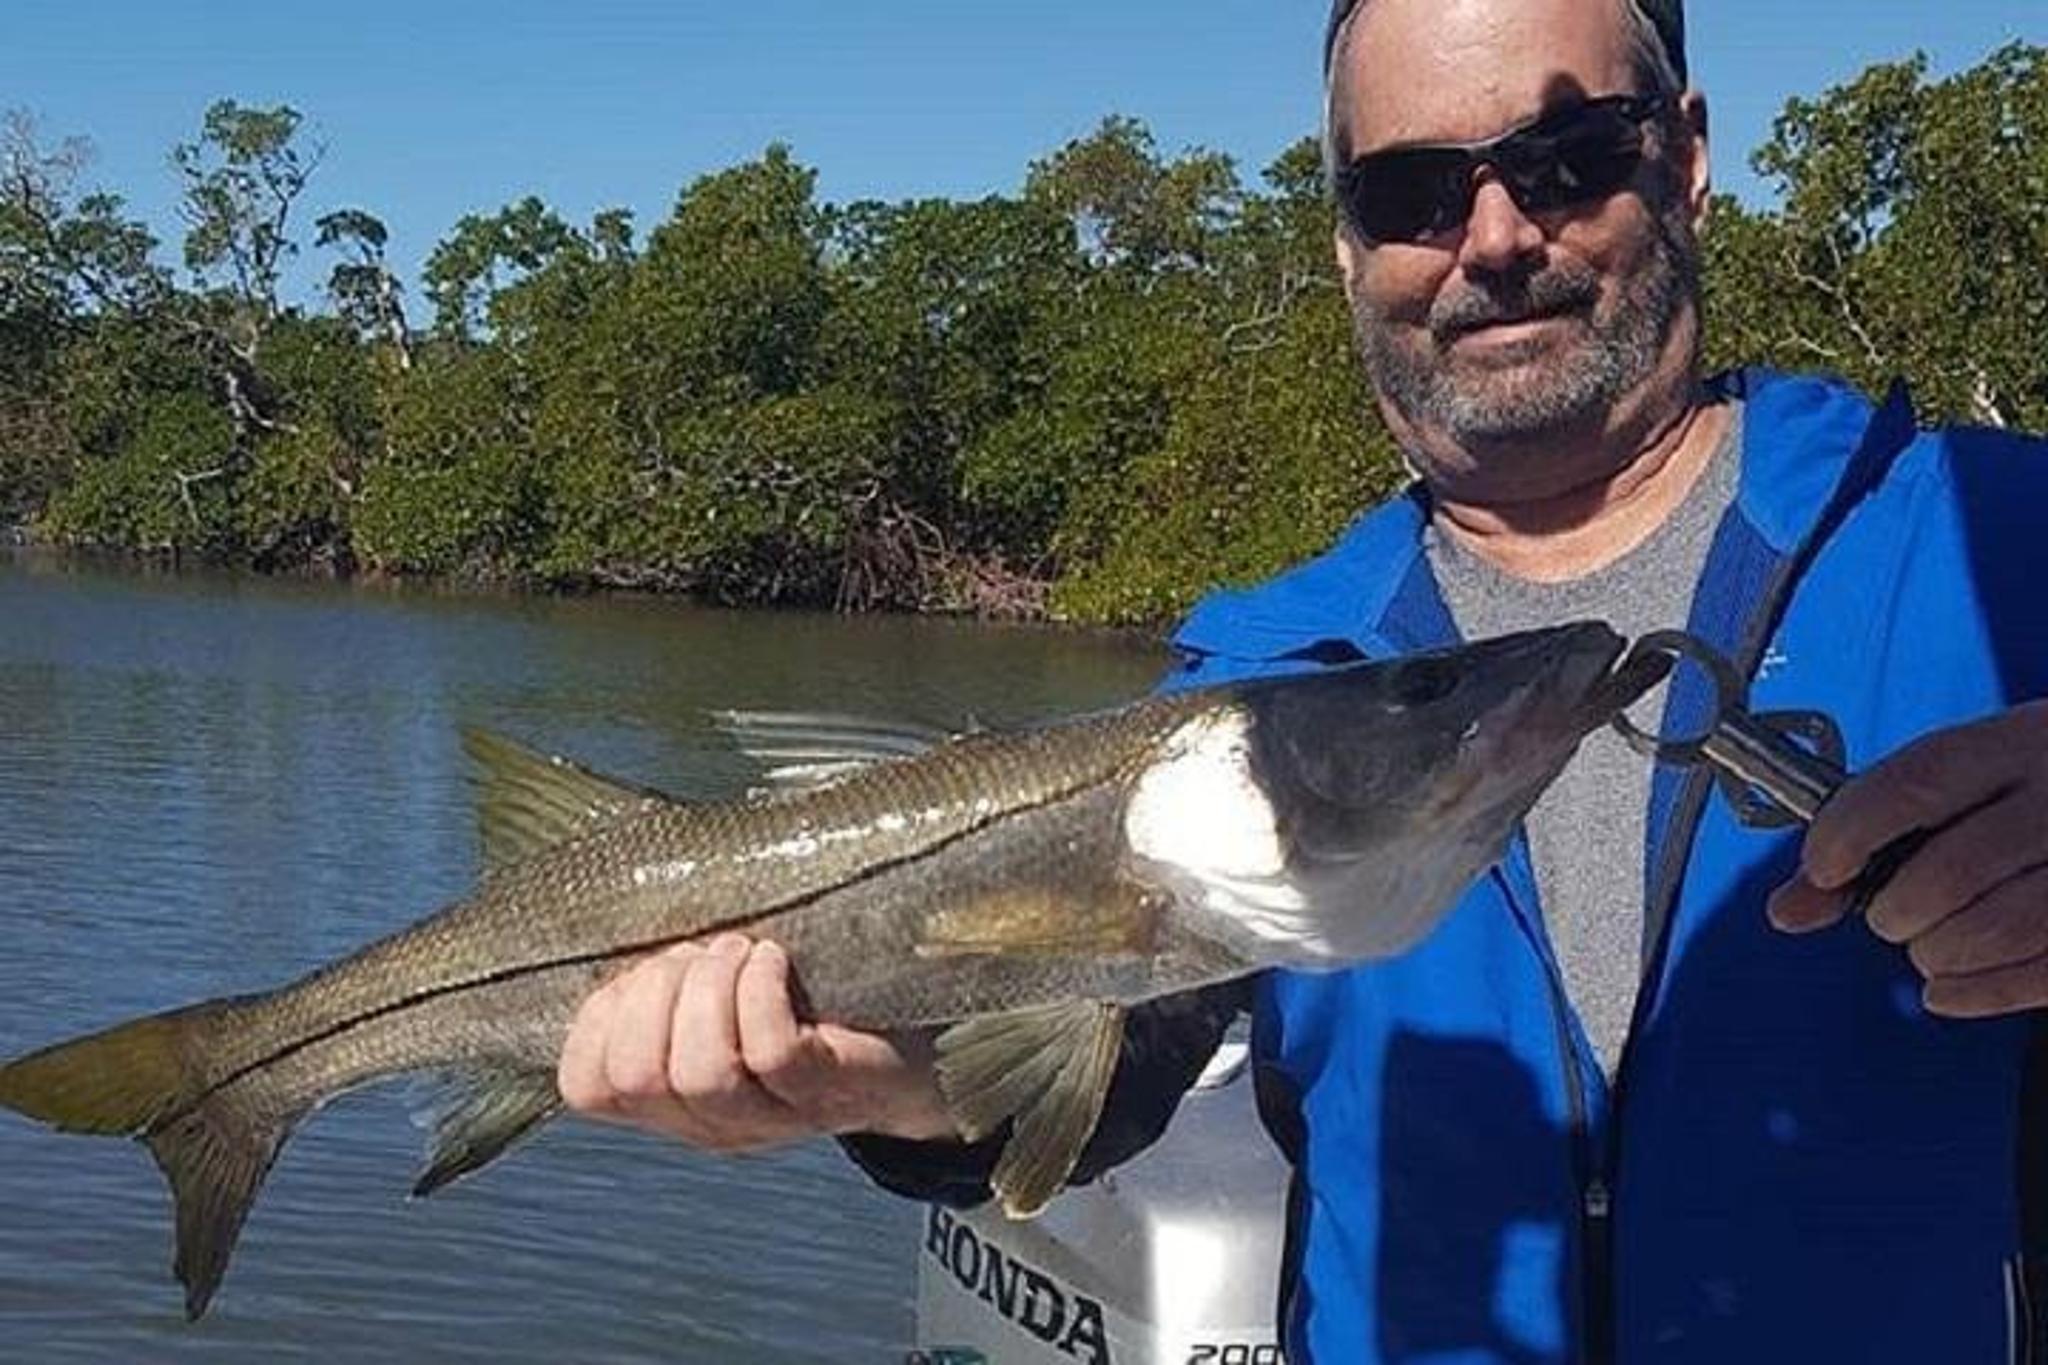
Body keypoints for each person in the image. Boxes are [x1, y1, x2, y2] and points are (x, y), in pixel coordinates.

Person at [554, 1, 2048, 1359]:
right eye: (1409, 191)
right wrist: (872, 1087)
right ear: (1344, 244)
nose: (1492, 235)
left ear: (1688, 157)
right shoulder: (1260, 667)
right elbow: (1116, 1058)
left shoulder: (1996, 537)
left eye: (1566, 156)